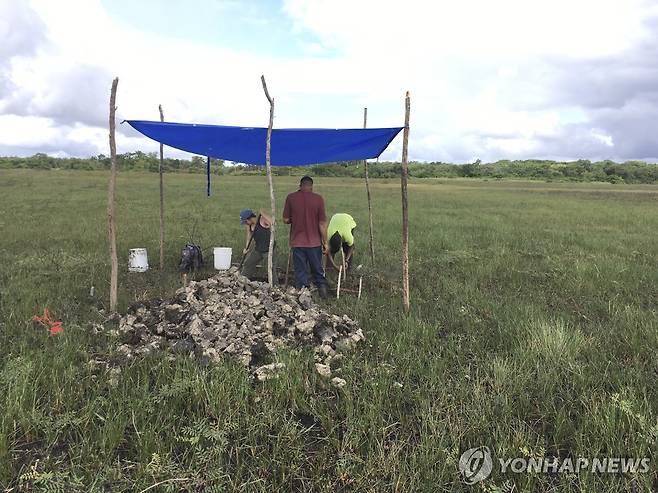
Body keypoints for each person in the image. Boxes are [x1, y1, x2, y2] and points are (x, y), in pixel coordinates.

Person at [282, 176, 328, 298]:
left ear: (300, 185)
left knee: (300, 271)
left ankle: (303, 294)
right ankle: (322, 291)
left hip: (297, 242)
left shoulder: (291, 197)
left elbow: (285, 219)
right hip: (314, 242)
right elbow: (322, 224)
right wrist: (325, 242)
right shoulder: (318, 199)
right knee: (317, 268)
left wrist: (294, 218)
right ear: (311, 186)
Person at [239, 208, 276, 281]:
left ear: (250, 218)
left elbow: (273, 223)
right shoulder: (249, 225)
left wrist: (263, 214)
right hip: (258, 249)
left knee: (270, 268)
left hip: (269, 249)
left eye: (246, 221)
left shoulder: (262, 220)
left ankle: (275, 285)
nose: (245, 223)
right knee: (248, 263)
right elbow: (249, 237)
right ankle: (242, 281)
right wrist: (246, 248)